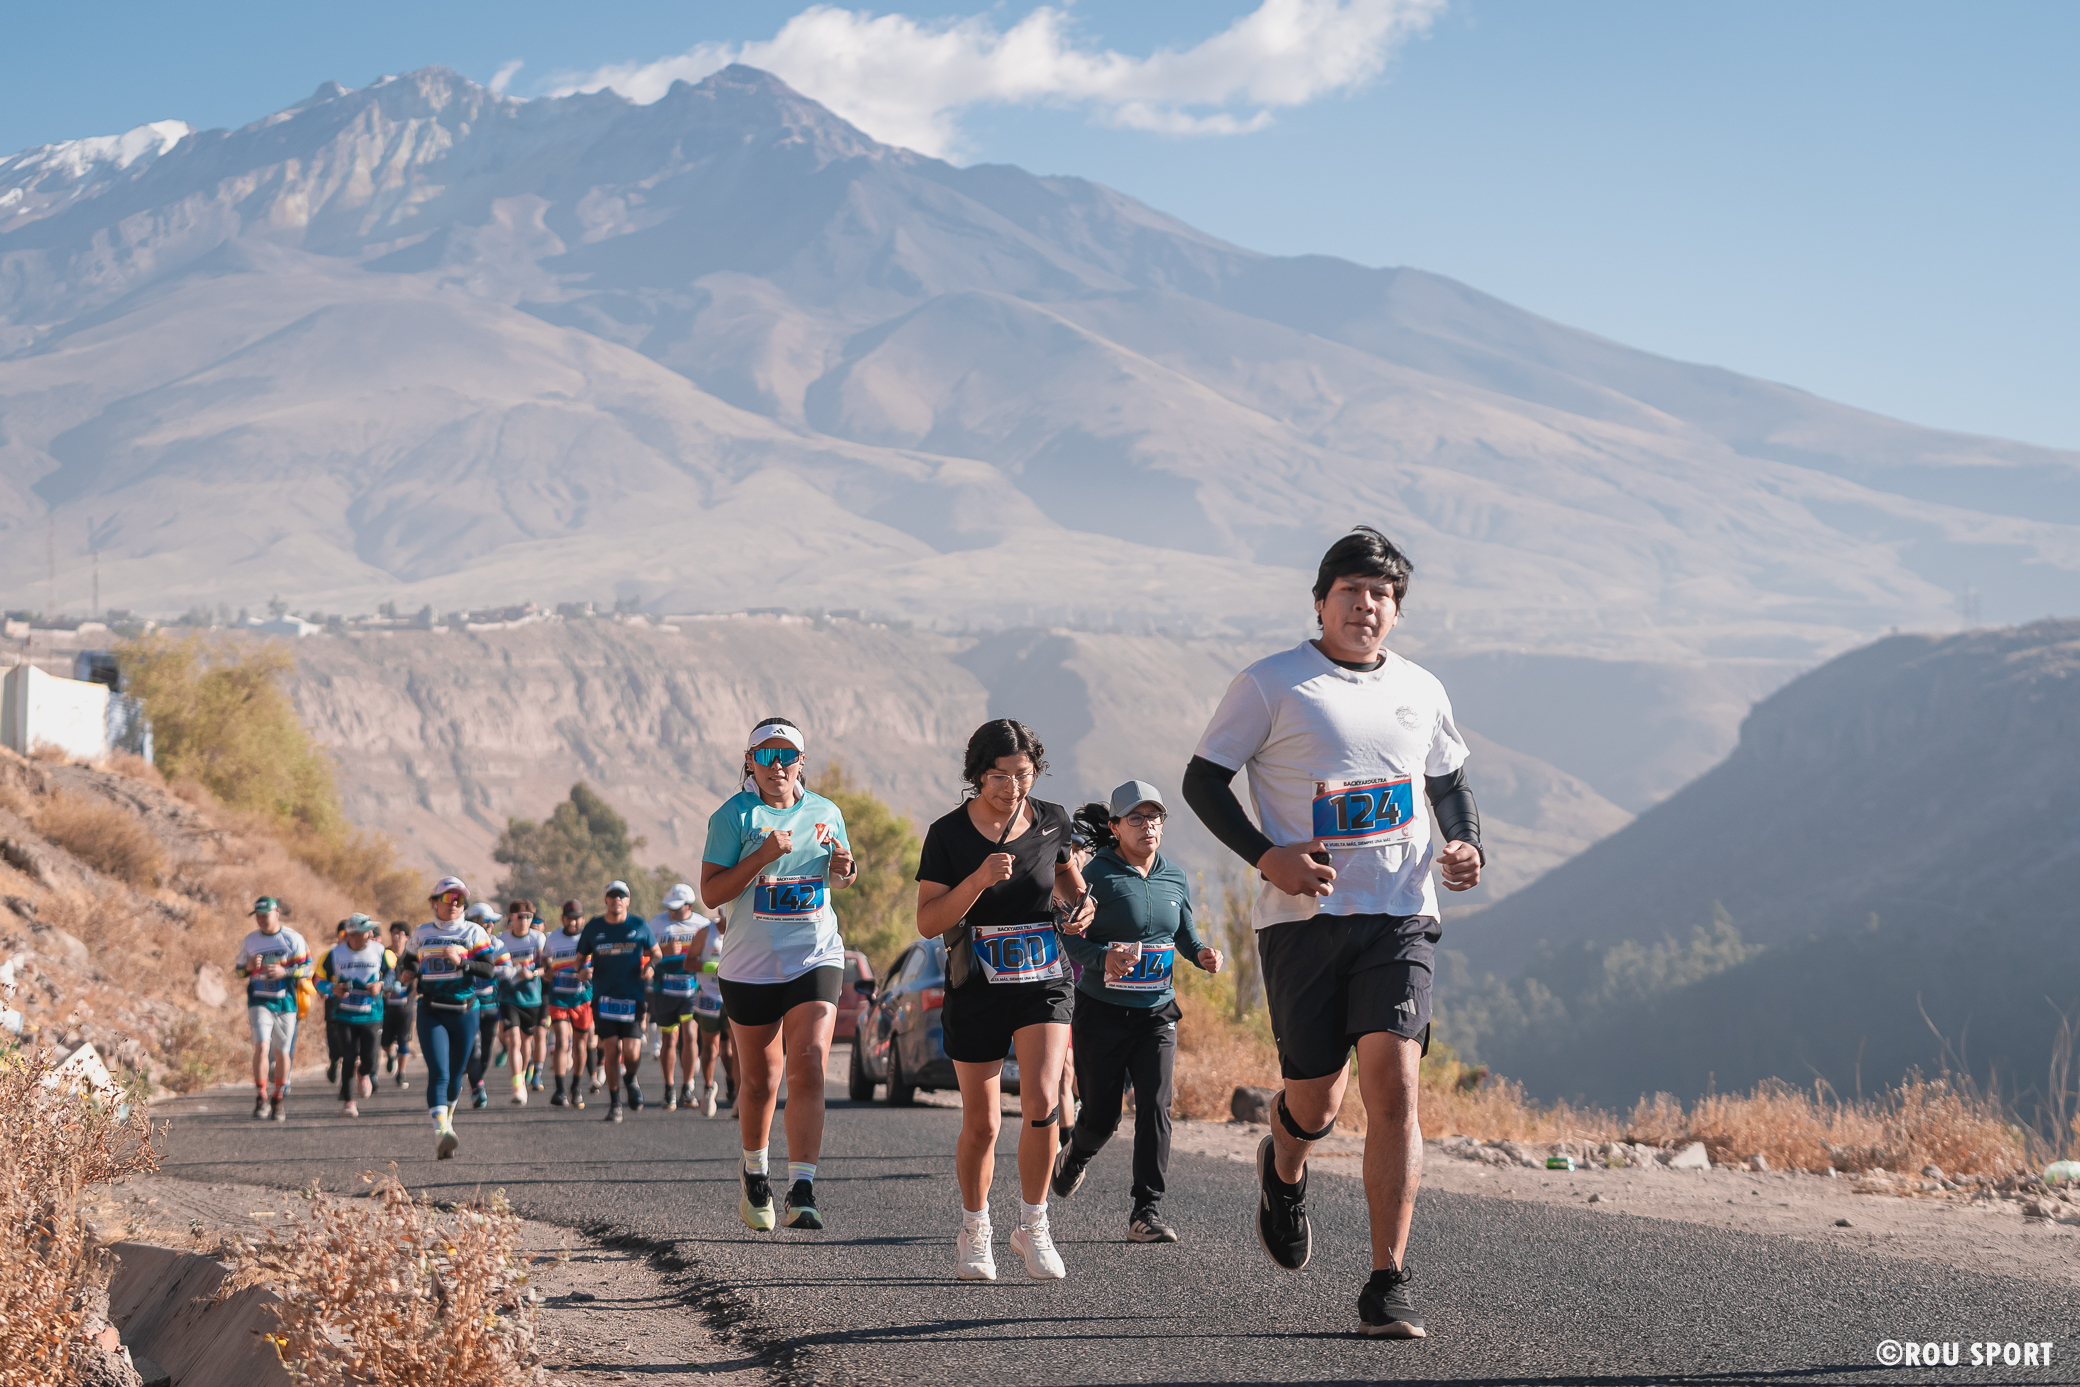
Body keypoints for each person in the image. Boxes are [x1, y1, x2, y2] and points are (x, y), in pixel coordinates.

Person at [1183, 525, 1484, 1340]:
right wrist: (1268, 857)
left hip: (1400, 914)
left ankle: (1387, 1279)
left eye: (1381, 594)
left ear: (1397, 610)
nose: (1365, 605)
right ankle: (1284, 1165)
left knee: (1396, 1083)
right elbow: (1202, 780)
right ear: (1320, 601)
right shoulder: (1272, 683)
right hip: (1303, 923)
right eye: (1350, 591)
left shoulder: (1421, 687)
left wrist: (1465, 842)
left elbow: (1448, 781)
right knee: (1316, 1099)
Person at [914, 719, 1092, 1281]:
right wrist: (976, 881)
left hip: (1044, 979)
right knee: (984, 1122)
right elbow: (928, 922)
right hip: (978, 986)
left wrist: (1081, 906)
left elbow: (1067, 881)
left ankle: (1034, 1225)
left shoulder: (1053, 819)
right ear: (977, 774)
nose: (1014, 787)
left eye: (1024, 774)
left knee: (1042, 1102)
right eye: (1001, 776)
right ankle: (975, 1227)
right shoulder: (947, 835)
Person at [701, 717, 857, 1232]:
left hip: (814, 954)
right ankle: (754, 1173)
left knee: (808, 1063)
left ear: (800, 762)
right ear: (750, 762)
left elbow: (839, 874)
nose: (777, 766)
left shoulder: (826, 812)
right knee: (760, 1080)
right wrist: (762, 856)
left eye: (786, 756)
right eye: (765, 756)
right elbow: (712, 893)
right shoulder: (733, 816)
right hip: (751, 965)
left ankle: (803, 1188)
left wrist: (845, 869)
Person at [1050, 782, 1222, 1243]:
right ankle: (1076, 1154)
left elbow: (1183, 933)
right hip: (1102, 1013)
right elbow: (1069, 938)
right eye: (1137, 819)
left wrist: (1201, 954)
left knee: (1155, 1105)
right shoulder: (1094, 877)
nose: (1148, 827)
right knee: (1102, 1118)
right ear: (1115, 827)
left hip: (1157, 1013)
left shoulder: (1175, 877)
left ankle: (1146, 1211)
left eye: (1155, 818)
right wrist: (1103, 957)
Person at [398, 877, 507, 1159]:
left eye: (460, 899)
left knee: (456, 1076)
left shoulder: (474, 932)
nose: (455, 903)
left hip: (465, 1012)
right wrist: (407, 973)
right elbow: (407, 960)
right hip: (431, 1010)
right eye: (448, 898)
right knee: (440, 1072)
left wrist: (463, 963)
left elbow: (489, 970)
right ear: (434, 903)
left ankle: (446, 1124)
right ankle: (441, 1131)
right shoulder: (422, 933)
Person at [576, 881, 658, 1122]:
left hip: (633, 997)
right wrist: (581, 971)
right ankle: (615, 1103)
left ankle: (630, 1078)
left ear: (628, 900)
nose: (617, 900)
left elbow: (657, 953)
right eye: (612, 896)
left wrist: (651, 966)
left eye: (621, 896)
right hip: (604, 998)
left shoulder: (639, 925)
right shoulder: (594, 927)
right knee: (611, 1050)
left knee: (631, 1053)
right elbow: (579, 959)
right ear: (606, 900)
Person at [234, 895, 311, 1122]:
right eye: (257, 916)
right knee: (261, 1045)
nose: (260, 920)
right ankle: (261, 1096)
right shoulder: (250, 940)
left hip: (286, 1002)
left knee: (282, 1051)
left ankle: (278, 1097)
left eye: (264, 915)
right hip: (259, 1000)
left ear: (277, 913)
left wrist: (284, 972)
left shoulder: (292, 939)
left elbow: (308, 969)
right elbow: (239, 971)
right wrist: (249, 967)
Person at [320, 914, 393, 1117]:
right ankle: (348, 1102)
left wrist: (381, 985)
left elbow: (391, 974)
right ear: (352, 934)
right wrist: (332, 988)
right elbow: (317, 979)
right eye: (365, 931)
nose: (370, 934)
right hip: (344, 1015)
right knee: (349, 1056)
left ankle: (364, 1072)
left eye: (370, 931)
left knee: (369, 1059)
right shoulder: (335, 954)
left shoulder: (380, 951)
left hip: (372, 1015)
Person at [646, 883, 709, 1111]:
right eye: (670, 907)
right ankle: (669, 1088)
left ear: (689, 905)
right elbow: (643, 951)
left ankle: (687, 1087)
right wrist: (662, 951)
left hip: (692, 990)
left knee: (690, 1035)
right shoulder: (656, 923)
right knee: (669, 1040)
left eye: (677, 907)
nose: (672, 912)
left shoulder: (703, 925)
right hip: (664, 991)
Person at [497, 901, 549, 1106]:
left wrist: (533, 973)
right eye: (520, 916)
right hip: (509, 997)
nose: (525, 921)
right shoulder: (502, 940)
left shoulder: (538, 939)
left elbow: (547, 968)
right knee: (514, 1040)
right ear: (511, 917)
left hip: (532, 997)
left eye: (529, 917)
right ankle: (517, 1086)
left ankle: (524, 1073)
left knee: (527, 1042)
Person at [543, 900, 594, 1108]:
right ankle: (560, 1090)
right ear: (562, 918)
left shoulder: (589, 937)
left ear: (582, 919)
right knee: (562, 1041)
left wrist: (590, 972)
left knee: (580, 1044)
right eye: (569, 918)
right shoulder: (553, 938)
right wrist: (547, 970)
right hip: (559, 997)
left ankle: (576, 1087)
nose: (573, 923)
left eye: (576, 918)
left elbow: (600, 963)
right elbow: (545, 958)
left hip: (582, 998)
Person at [690, 912, 735, 1118]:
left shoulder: (743, 929)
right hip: (709, 997)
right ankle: (708, 1089)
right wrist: (710, 967)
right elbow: (688, 963)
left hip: (733, 996)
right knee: (710, 1048)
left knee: (732, 1050)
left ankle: (734, 1085)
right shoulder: (706, 933)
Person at [462, 902, 505, 1108]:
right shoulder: (463, 942)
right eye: (487, 921)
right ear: (475, 921)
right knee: (475, 1048)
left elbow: (507, 968)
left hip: (490, 1005)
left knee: (486, 1051)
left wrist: (492, 970)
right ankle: (477, 1087)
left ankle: (476, 1079)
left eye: (492, 922)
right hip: (468, 1005)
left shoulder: (497, 944)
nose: (490, 926)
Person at [380, 921, 415, 1088]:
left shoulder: (411, 957)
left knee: (403, 1040)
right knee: (384, 1043)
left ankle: (401, 1073)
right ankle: (390, 1054)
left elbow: (418, 975)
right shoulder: (384, 955)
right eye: (394, 933)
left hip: (406, 1006)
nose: (397, 937)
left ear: (407, 937)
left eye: (400, 933)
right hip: (386, 1006)